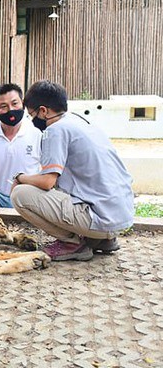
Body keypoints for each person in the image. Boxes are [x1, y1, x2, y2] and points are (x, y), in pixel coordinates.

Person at [11, 80, 134, 261]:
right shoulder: (80, 122)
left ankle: (72, 243)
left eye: (32, 114)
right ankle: (100, 240)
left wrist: (20, 177)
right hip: (119, 215)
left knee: (20, 195)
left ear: (43, 111)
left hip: (100, 219)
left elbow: (47, 182)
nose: (32, 119)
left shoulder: (55, 130)